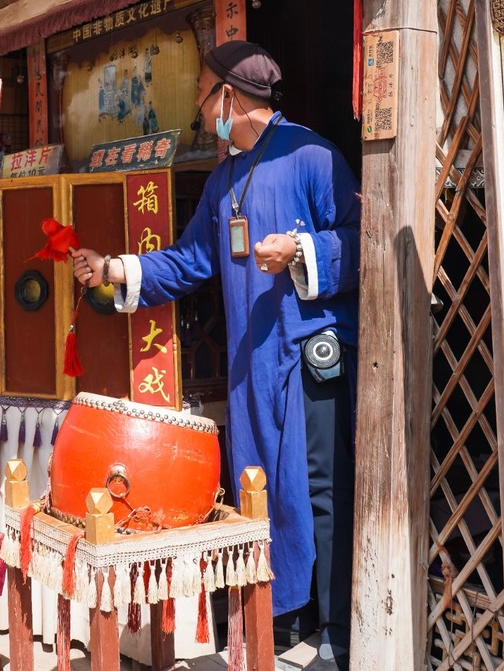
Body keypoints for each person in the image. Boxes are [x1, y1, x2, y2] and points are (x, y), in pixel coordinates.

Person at [71, 41, 359, 670]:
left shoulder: (312, 156)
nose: (200, 110)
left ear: (230, 96)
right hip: (251, 359)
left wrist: (304, 251)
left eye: (203, 94)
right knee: (259, 485)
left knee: (318, 487)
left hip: (309, 350)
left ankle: (338, 624)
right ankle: (281, 615)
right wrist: (114, 267)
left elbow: (362, 241)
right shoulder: (225, 179)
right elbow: (189, 260)